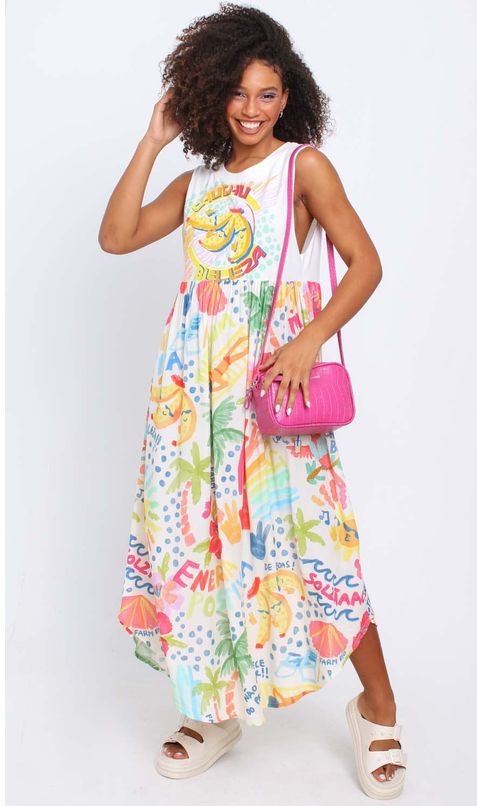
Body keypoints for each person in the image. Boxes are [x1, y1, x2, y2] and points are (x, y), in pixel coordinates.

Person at [99, 3, 407, 799]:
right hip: (191, 401)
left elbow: (366, 263)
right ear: (211, 94)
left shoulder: (303, 170)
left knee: (318, 548)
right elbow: (117, 237)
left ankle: (378, 709)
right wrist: (152, 140)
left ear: (287, 97)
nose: (251, 109)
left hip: (272, 394)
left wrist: (308, 341)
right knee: (197, 550)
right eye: (237, 92)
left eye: (267, 94)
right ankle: (214, 710)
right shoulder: (197, 183)